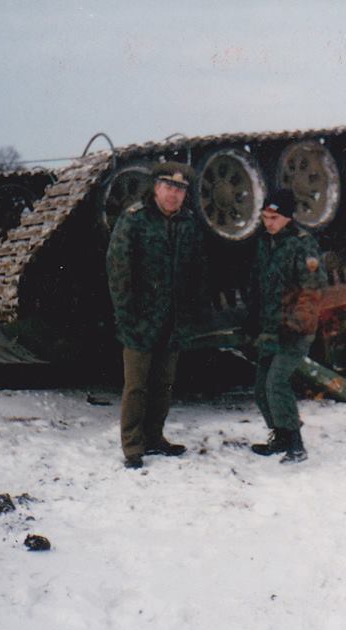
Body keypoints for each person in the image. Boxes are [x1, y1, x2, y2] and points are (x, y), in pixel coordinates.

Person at [106, 161, 208, 469]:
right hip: (140, 320)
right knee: (137, 385)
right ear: (156, 188)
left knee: (163, 384)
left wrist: (193, 311)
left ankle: (154, 437)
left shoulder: (188, 222)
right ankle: (133, 446)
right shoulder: (134, 219)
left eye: (180, 189)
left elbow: (197, 269)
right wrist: (127, 316)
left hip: (172, 320)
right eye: (168, 187)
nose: (174, 194)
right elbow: (118, 270)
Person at [246, 189, 327, 464]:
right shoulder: (265, 242)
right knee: (261, 389)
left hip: (294, 331)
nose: (268, 223)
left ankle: (295, 443)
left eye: (274, 218)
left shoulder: (302, 245)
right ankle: (280, 435)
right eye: (265, 217)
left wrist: (295, 324)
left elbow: (312, 291)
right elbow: (257, 284)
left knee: (276, 383)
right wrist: (253, 320)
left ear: (288, 218)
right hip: (271, 328)